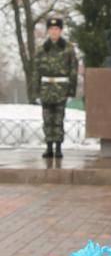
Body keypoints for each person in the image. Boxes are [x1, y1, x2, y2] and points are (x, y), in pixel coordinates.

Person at [32, 17, 78, 158]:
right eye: (51, 29)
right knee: (47, 119)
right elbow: (36, 71)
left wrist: (71, 92)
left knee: (58, 119)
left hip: (61, 88)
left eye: (57, 29)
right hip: (46, 88)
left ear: (61, 30)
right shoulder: (41, 49)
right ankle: (48, 148)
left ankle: (58, 148)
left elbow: (73, 71)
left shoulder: (68, 49)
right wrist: (36, 92)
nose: (54, 31)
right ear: (48, 31)